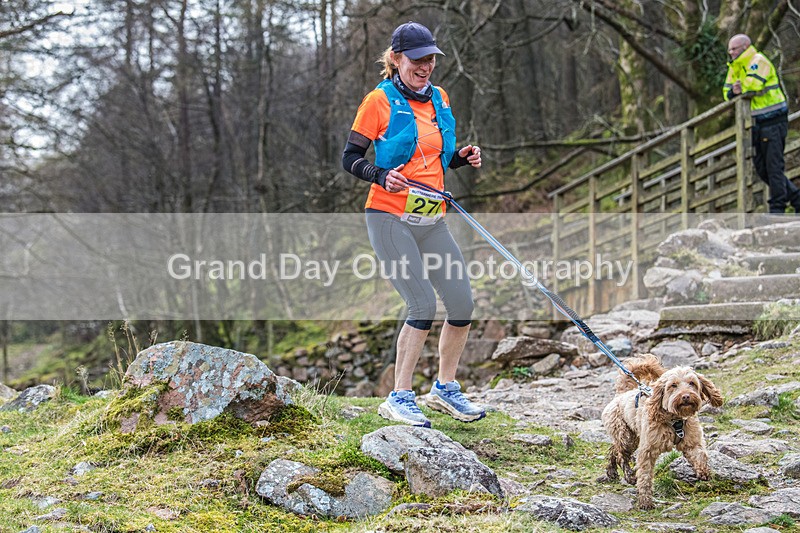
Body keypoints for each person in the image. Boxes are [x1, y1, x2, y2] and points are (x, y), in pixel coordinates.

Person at [342, 21, 485, 428]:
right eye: (417, 60)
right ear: (396, 58)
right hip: (388, 215)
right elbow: (349, 158)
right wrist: (379, 174)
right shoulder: (378, 101)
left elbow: (437, 156)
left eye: (430, 60)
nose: (425, 67)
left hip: (431, 217)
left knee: (461, 304)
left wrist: (462, 157)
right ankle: (399, 396)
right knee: (421, 303)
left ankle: (445, 389)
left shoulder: (440, 98)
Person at [724, 34, 800, 214]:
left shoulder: (758, 60)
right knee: (762, 169)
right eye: (729, 49)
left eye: (734, 48)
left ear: (745, 47)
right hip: (756, 123)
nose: (730, 52)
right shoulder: (734, 67)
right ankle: (797, 199)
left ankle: (777, 209)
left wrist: (739, 87)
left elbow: (754, 84)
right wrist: (734, 91)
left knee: (774, 167)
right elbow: (727, 91)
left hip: (773, 120)